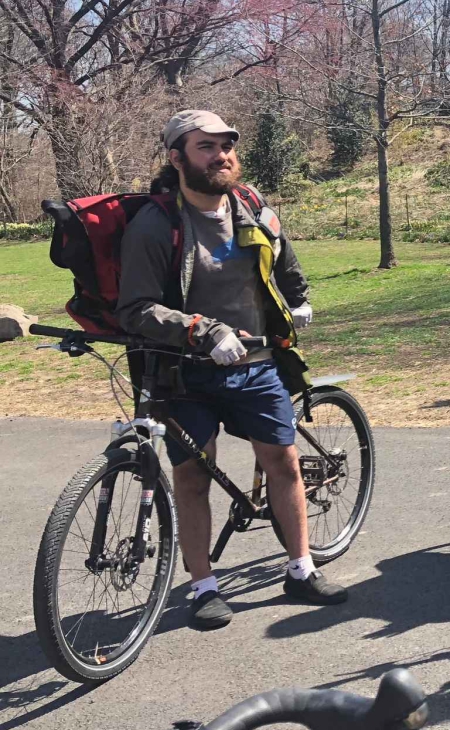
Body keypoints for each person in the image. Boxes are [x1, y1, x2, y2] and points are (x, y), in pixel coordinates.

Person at [117, 110, 348, 629]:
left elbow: (282, 256)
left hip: (257, 363)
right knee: (193, 476)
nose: (221, 155)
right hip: (184, 373)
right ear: (176, 158)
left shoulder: (249, 204)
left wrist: (299, 299)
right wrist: (204, 330)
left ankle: (302, 568)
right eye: (206, 147)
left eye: (226, 146)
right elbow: (135, 309)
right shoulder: (158, 224)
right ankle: (202, 586)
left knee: (283, 464)